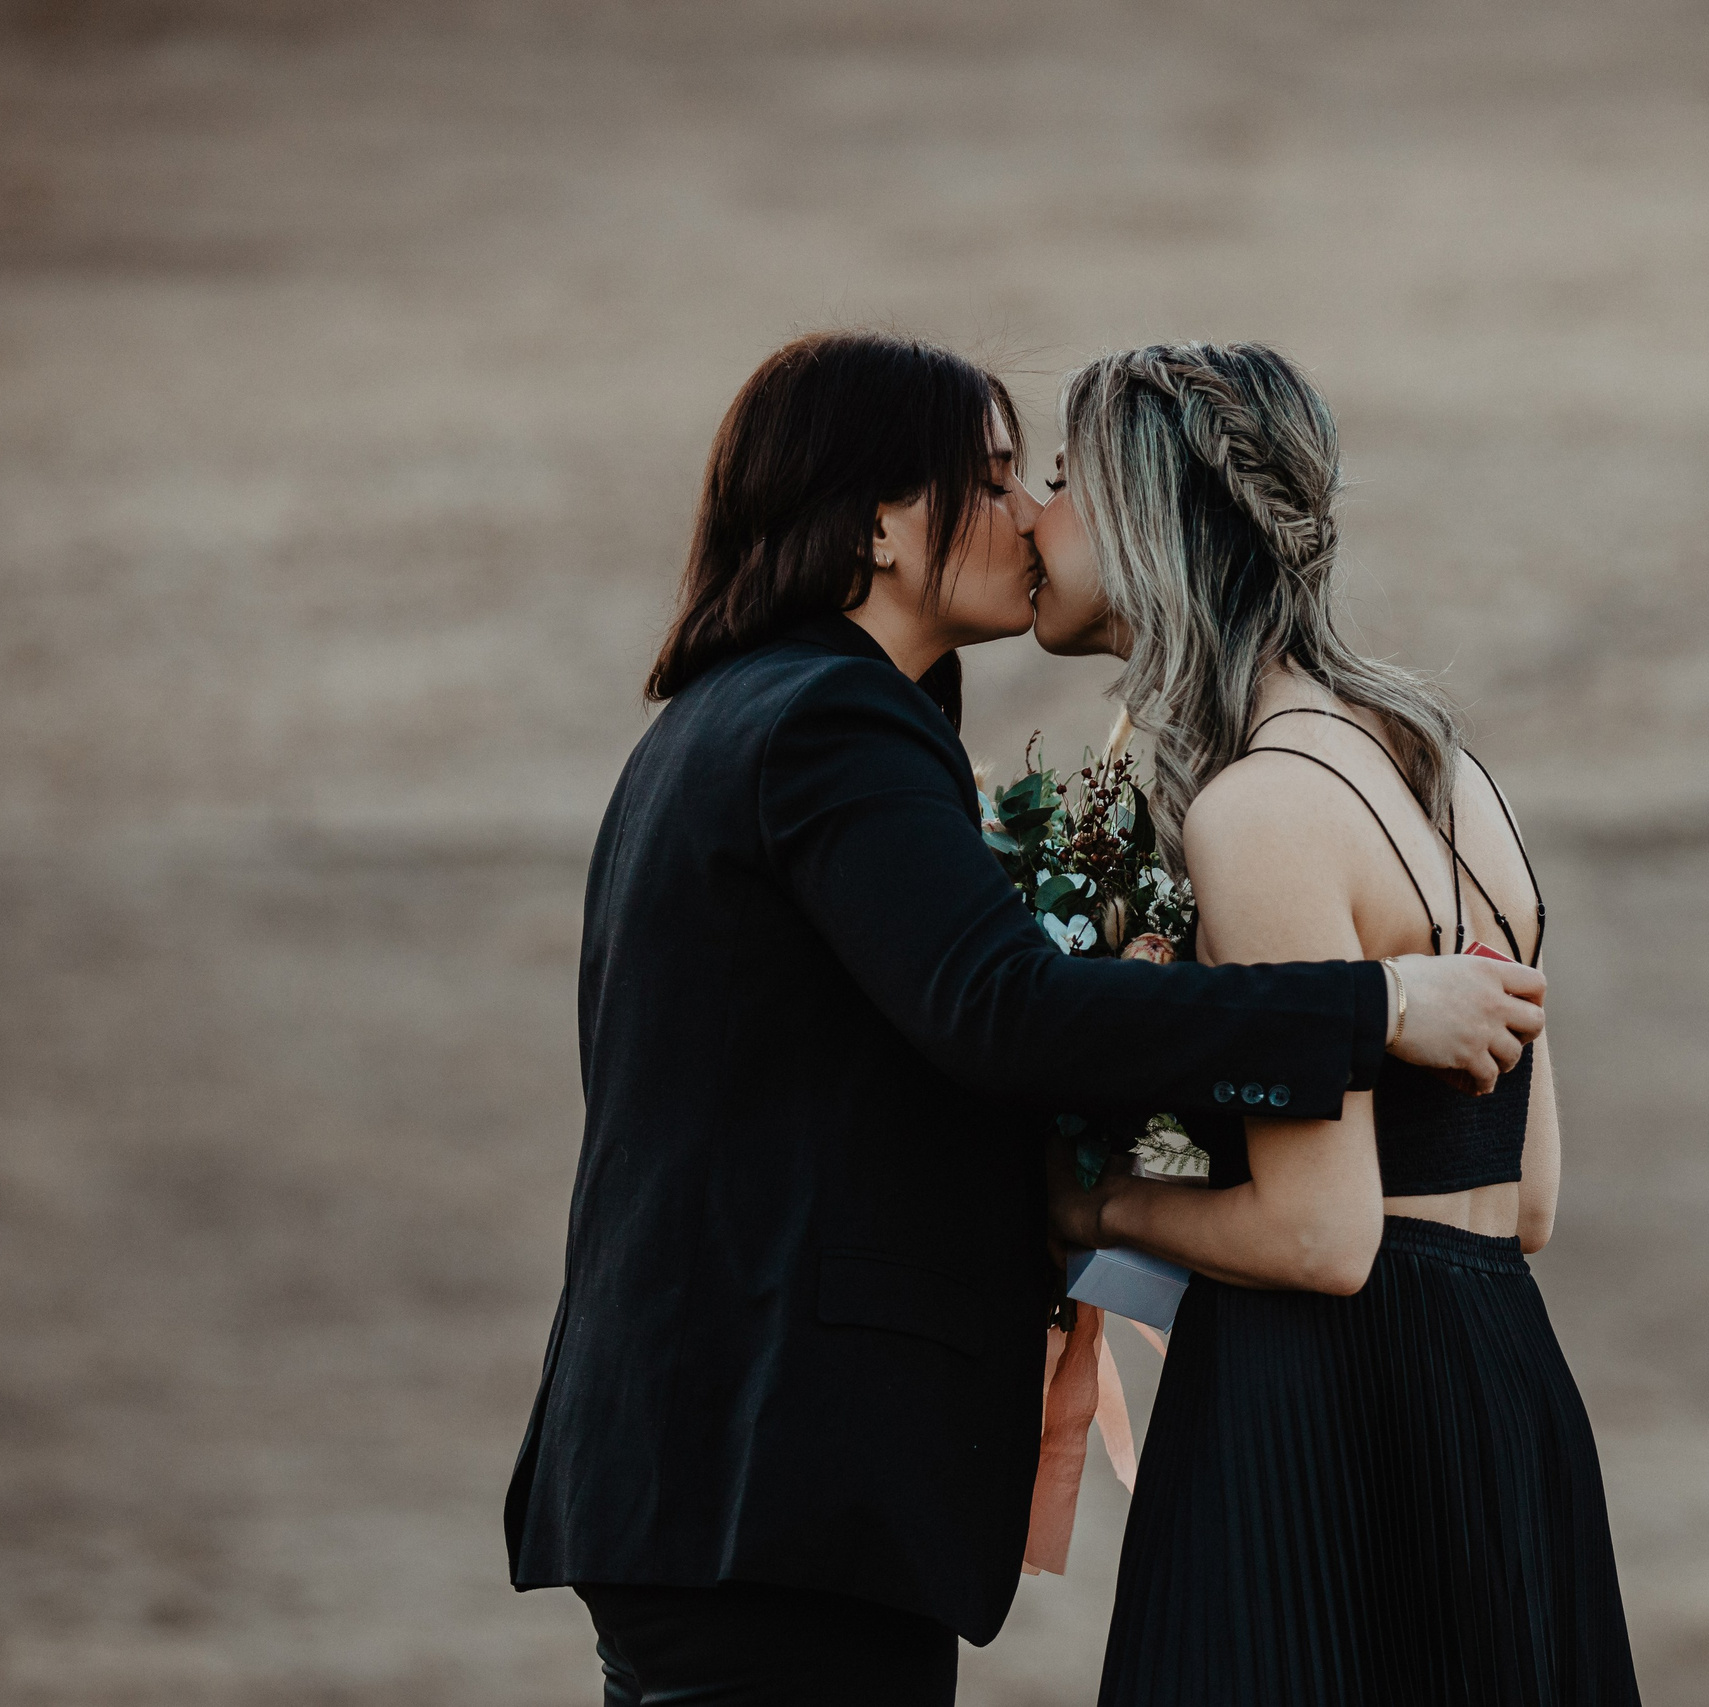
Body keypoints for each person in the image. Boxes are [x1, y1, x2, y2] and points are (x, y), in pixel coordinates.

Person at [502, 331, 1550, 1706]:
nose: (1026, 513)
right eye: (995, 477)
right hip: (775, 1481)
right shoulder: (828, 723)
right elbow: (1006, 1009)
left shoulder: (738, 717)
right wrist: (1380, 1004)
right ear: (881, 525)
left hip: (722, 1476)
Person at [1038, 341, 1642, 1704]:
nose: (1035, 516)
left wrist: (1088, 1203)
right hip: (1497, 1389)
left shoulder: (1260, 810)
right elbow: (1527, 1199)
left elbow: (1320, 1235)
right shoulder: (1451, 775)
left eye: (1066, 481)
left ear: (1145, 519)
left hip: (1318, 1422)